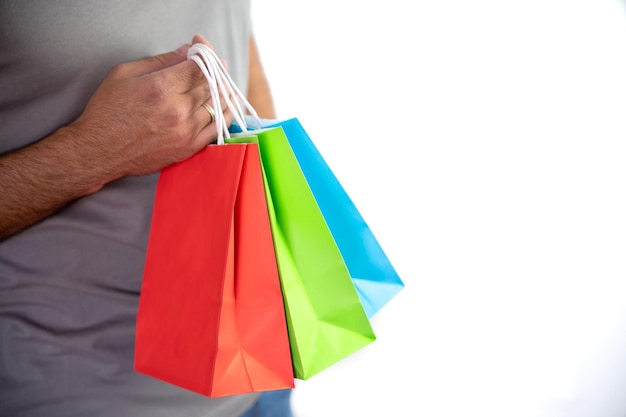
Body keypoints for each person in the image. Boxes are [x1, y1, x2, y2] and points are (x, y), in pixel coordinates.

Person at [0, 1, 294, 416]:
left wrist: (277, 227)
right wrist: (88, 153)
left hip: (254, 376)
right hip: (72, 390)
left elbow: (233, 30)